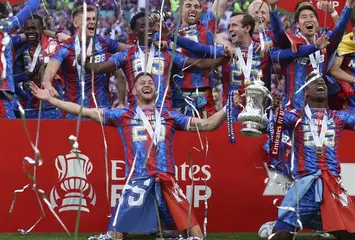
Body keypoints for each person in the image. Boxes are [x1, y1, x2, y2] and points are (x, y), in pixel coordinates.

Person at [29, 73, 229, 240]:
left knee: (196, 236)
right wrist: (51, 100)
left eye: (151, 82)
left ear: (156, 90)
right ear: (133, 91)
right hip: (138, 182)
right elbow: (85, 111)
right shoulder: (122, 115)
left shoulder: (169, 116)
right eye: (142, 83)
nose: (147, 85)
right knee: (114, 235)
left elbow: (208, 125)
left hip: (166, 180)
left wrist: (230, 108)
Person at [262, 72, 355, 240]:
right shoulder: (295, 116)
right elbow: (265, 126)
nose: (320, 83)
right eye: (314, 82)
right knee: (281, 236)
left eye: (323, 82)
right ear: (306, 91)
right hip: (304, 185)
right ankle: (281, 225)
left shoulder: (338, 117)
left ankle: (315, 223)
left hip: (331, 185)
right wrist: (270, 108)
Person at [84, 11, 229, 111]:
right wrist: (83, 61)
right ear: (134, 30)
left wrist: (223, 59)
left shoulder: (166, 53)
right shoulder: (126, 55)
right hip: (136, 114)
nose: (148, 29)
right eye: (142, 26)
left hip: (164, 113)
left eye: (151, 26)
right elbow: (98, 68)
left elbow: (196, 63)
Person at [221, 12, 327, 120]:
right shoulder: (225, 51)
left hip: (260, 117)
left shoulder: (265, 51)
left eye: (263, 12)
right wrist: (226, 45)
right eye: (255, 11)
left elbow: (291, 50)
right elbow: (213, 41)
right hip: (233, 114)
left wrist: (315, 46)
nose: (230, 29)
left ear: (248, 27)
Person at [173, 0, 236, 117]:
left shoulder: (207, 24)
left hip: (205, 94)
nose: (193, 9)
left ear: (201, 10)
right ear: (180, 10)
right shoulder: (171, 32)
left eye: (196, 6)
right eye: (188, 6)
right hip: (178, 96)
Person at [42, 5, 130, 118]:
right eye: (87, 19)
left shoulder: (104, 42)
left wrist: (122, 103)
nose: (92, 22)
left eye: (94, 19)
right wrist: (48, 85)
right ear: (76, 23)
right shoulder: (65, 48)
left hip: (101, 110)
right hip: (73, 111)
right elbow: (49, 72)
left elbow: (130, 51)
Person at [14, 15, 63, 119]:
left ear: (42, 29)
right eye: (27, 29)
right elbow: (12, 78)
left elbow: (68, 40)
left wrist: (49, 33)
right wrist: (25, 79)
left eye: (34, 28)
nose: (30, 32)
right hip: (28, 105)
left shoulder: (52, 46)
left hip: (51, 105)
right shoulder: (19, 49)